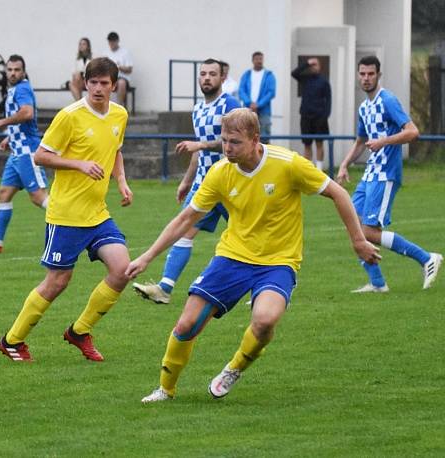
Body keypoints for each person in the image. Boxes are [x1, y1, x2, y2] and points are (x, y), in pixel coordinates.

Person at [128, 108, 380, 403]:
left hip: (278, 261)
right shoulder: (220, 172)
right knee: (187, 323)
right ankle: (165, 389)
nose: (227, 148)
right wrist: (147, 257)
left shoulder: (287, 164)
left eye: (234, 142)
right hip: (232, 256)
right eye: (224, 141)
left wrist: (358, 241)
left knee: (264, 320)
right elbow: (186, 219)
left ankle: (235, 368)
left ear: (255, 139)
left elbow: (339, 193)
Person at [0, 57, 133, 363]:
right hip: (66, 214)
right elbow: (41, 156)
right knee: (58, 282)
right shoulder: (69, 116)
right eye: (93, 82)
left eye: (104, 83)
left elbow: (116, 150)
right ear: (86, 83)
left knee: (122, 270)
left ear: (114, 85)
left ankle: (80, 331)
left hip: (97, 213)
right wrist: (79, 164)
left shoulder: (120, 115)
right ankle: (12, 340)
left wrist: (121, 181)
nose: (98, 88)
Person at [132, 59, 240, 304]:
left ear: (222, 78)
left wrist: (200, 145)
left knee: (248, 235)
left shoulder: (230, 105)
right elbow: (198, 150)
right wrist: (186, 181)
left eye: (212, 74)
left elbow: (235, 141)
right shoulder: (197, 109)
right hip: (204, 183)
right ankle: (164, 288)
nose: (206, 78)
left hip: (231, 183)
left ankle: (266, 284)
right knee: (184, 231)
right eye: (203, 74)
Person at [337, 56, 442, 292]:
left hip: (386, 173)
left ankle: (426, 258)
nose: (366, 78)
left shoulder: (388, 100)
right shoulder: (364, 107)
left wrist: (384, 141)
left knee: (369, 232)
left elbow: (412, 131)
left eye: (370, 74)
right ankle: (377, 284)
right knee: (351, 223)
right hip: (370, 173)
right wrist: (344, 165)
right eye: (362, 74)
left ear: (378, 75)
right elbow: (361, 142)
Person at [0, 55, 49, 253]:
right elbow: (24, 121)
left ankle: (74, 227)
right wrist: (9, 137)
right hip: (16, 151)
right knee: (4, 194)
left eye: (17, 70)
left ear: (23, 72)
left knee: (39, 198)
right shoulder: (14, 89)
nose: (12, 73)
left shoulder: (22, 88)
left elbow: (27, 113)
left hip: (28, 152)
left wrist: (1, 123)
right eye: (10, 69)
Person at [292, 57, 332, 170]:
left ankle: (319, 168)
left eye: (316, 65)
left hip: (320, 117)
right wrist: (307, 63)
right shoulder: (305, 78)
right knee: (307, 144)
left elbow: (328, 99)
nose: (314, 67)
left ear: (320, 67)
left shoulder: (324, 81)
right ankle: (308, 169)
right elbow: (294, 73)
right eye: (312, 65)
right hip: (305, 116)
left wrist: (326, 115)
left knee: (319, 143)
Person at [239, 51, 276, 140]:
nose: (259, 61)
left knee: (264, 136)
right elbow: (241, 90)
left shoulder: (269, 75)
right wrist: (249, 103)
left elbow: (271, 92)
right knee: (247, 135)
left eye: (261, 59)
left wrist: (258, 104)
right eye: (257, 59)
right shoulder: (246, 75)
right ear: (252, 60)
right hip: (248, 110)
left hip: (264, 111)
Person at [105, 32, 133, 107]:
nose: (111, 43)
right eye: (110, 42)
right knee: (101, 82)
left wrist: (118, 67)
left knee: (121, 83)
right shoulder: (106, 53)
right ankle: (103, 107)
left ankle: (119, 106)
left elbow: (129, 69)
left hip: (122, 77)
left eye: (113, 41)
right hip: (110, 77)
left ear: (117, 41)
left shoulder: (125, 52)